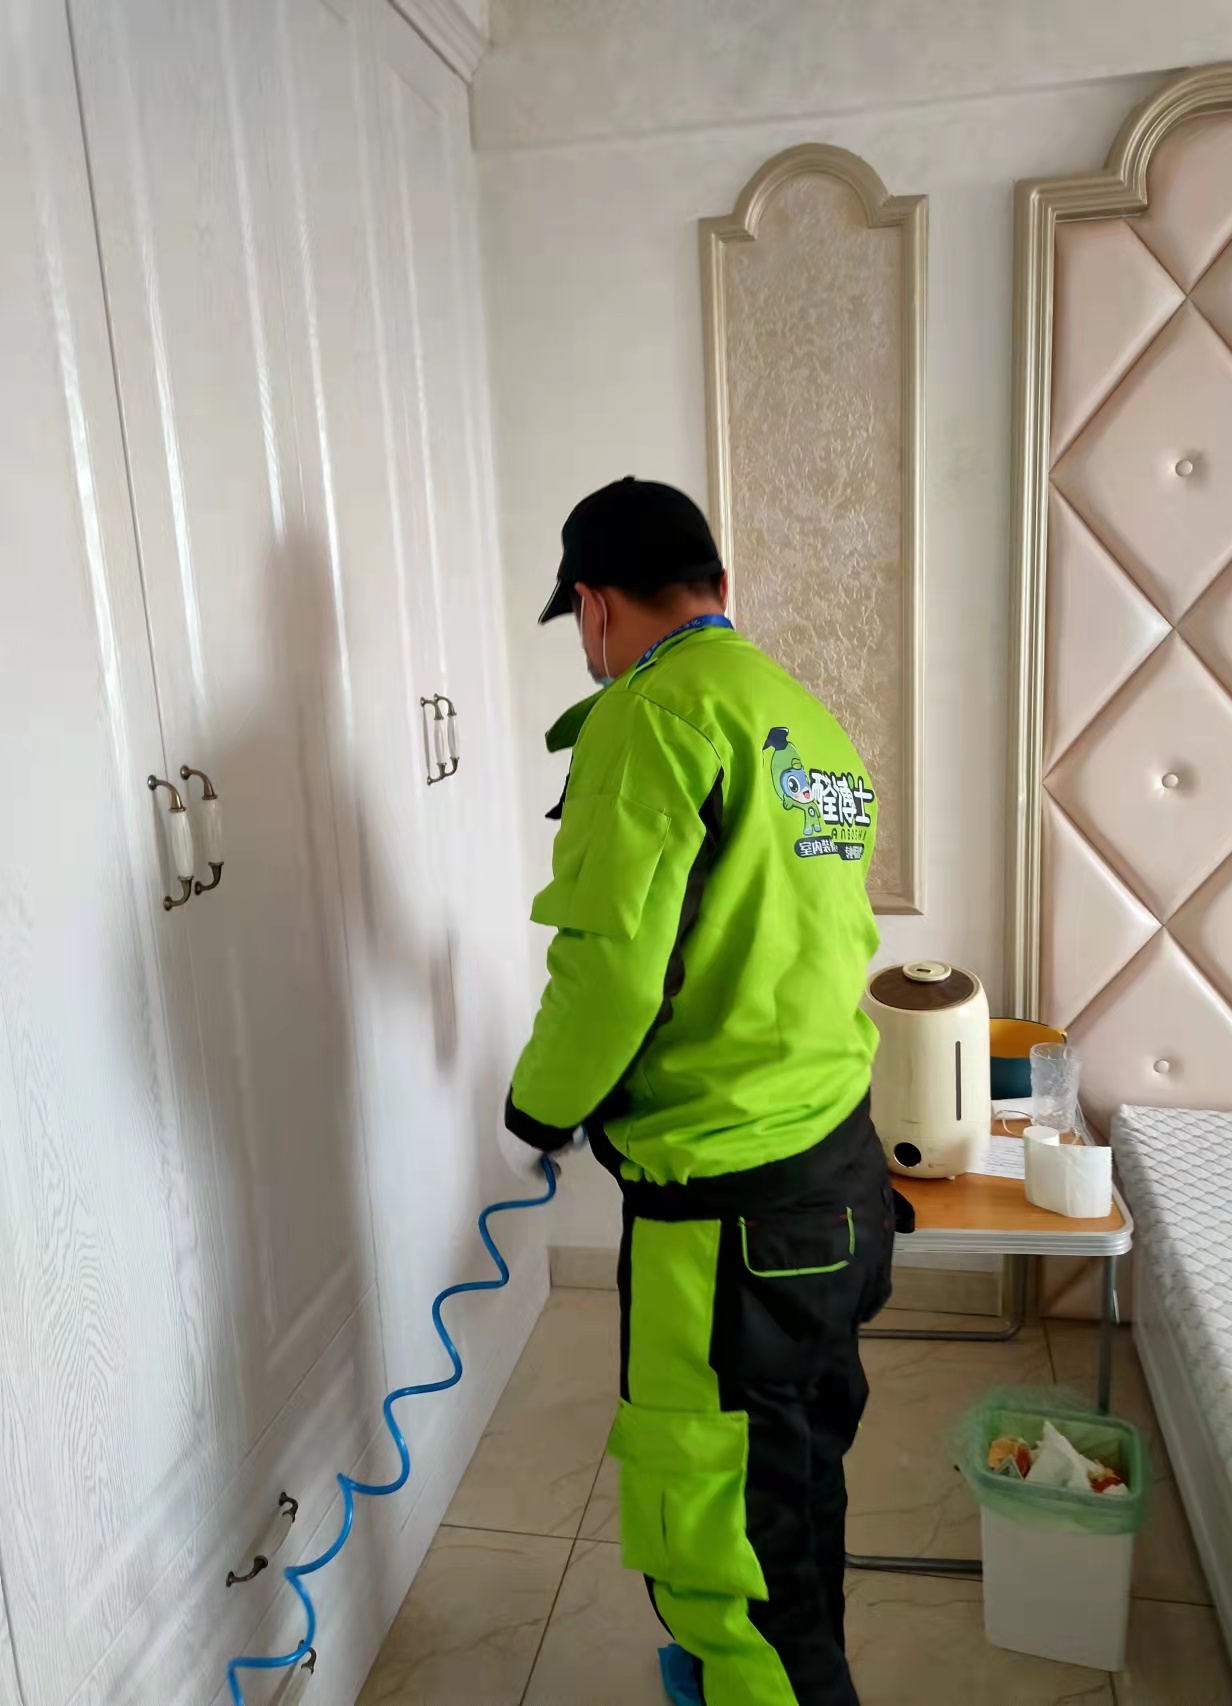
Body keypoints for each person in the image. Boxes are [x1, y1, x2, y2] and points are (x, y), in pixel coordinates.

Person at [505, 477, 900, 1706]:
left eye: (581, 621)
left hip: (731, 1217)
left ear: (594, 604)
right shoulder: (802, 716)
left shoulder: (649, 712)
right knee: (789, 1493)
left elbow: (614, 963)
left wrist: (537, 1107)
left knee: (725, 1543)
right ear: (719, 586)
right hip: (836, 1172)